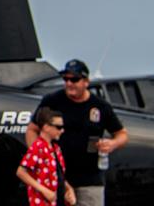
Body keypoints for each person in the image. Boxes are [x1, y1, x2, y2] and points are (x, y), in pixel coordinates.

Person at [26, 60, 127, 206]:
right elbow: (32, 130)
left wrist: (113, 143)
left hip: (90, 178)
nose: (69, 83)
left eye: (74, 79)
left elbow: (122, 133)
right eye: (66, 79)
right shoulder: (53, 101)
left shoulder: (100, 106)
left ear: (86, 82)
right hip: (59, 177)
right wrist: (40, 155)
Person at [18, 108, 73, 206]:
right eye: (58, 127)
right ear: (46, 127)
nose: (62, 130)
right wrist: (44, 190)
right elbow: (21, 172)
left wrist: (69, 189)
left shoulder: (56, 149)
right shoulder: (37, 147)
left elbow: (59, 175)